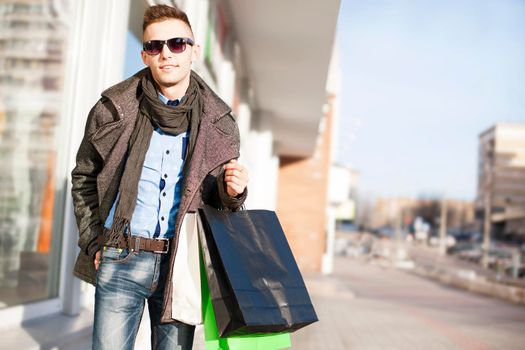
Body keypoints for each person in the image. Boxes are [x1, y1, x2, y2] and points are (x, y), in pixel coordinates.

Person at [70, 4, 248, 349]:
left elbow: (222, 209)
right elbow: (84, 177)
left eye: (177, 44)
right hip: (121, 257)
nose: (166, 53)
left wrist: (233, 194)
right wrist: (94, 241)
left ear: (194, 51)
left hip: (181, 267)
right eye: (155, 46)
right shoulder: (113, 109)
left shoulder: (220, 124)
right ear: (144, 55)